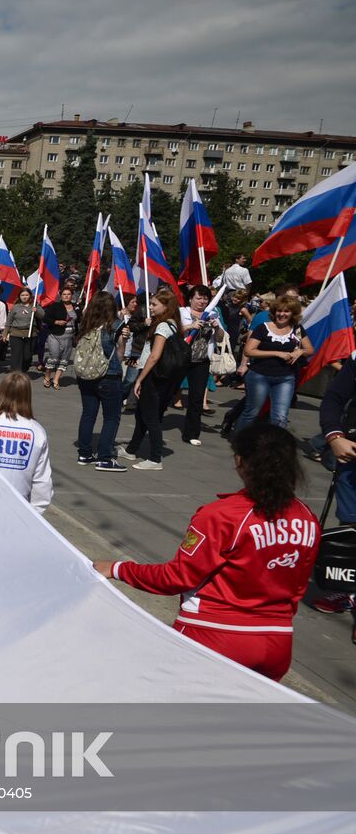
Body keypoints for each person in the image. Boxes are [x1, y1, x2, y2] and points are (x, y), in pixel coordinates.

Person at [95, 424, 319, 681]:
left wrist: (117, 568)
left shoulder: (221, 515)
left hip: (214, 636)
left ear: (240, 461)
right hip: (277, 643)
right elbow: (298, 587)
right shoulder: (307, 518)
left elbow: (177, 577)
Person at [0, 372, 53, 512]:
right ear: (27, 396)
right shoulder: (37, 431)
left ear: (1, 392)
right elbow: (41, 480)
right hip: (18, 509)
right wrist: (34, 513)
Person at [120, 291, 183, 471]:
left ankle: (155, 458)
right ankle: (132, 449)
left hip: (153, 376)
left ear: (166, 306)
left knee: (151, 417)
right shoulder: (173, 324)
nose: (150, 307)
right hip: (161, 376)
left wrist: (140, 378)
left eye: (154, 304)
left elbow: (155, 355)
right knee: (141, 414)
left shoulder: (163, 326)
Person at [314, 358, 356, 621]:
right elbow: (333, 398)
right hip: (352, 458)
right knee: (351, 527)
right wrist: (334, 436)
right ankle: (349, 590)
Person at [235, 291, 313, 432]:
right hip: (260, 376)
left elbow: (310, 349)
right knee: (252, 413)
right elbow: (249, 351)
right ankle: (240, 442)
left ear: (293, 313)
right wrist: (277, 353)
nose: (282, 314)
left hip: (285, 378)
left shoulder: (297, 330)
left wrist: (300, 351)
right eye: (279, 311)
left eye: (286, 311)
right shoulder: (263, 328)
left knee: (280, 417)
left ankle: (274, 447)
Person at [73, 294, 129, 472]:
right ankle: (105, 457)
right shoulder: (115, 325)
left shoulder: (86, 324)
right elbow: (120, 355)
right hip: (108, 376)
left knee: (88, 414)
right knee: (111, 417)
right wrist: (124, 340)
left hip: (85, 376)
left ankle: (85, 453)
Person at [178, 286, 220, 446]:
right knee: (167, 391)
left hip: (201, 361)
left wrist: (217, 327)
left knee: (196, 397)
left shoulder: (213, 313)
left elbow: (221, 337)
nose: (202, 301)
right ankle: (153, 422)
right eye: (198, 298)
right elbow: (172, 331)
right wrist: (190, 327)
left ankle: (191, 433)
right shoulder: (181, 312)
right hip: (181, 357)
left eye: (205, 298)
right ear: (190, 299)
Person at [41, 287, 78, 389]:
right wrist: (56, 322)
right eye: (64, 294)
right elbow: (45, 318)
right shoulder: (55, 306)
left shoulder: (76, 307)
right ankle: (47, 376)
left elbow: (79, 321)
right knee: (54, 357)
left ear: (72, 295)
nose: (66, 296)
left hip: (69, 337)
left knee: (64, 359)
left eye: (68, 294)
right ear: (61, 296)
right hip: (55, 335)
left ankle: (56, 379)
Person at [5, 290, 38, 373]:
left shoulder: (34, 306)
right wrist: (5, 334)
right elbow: (9, 321)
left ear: (30, 296)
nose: (24, 297)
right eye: (22, 295)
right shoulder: (15, 307)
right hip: (16, 334)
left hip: (30, 334)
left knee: (27, 356)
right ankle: (16, 373)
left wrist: (36, 311)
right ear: (19, 297)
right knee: (16, 355)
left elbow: (43, 316)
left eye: (26, 295)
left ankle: (24, 369)